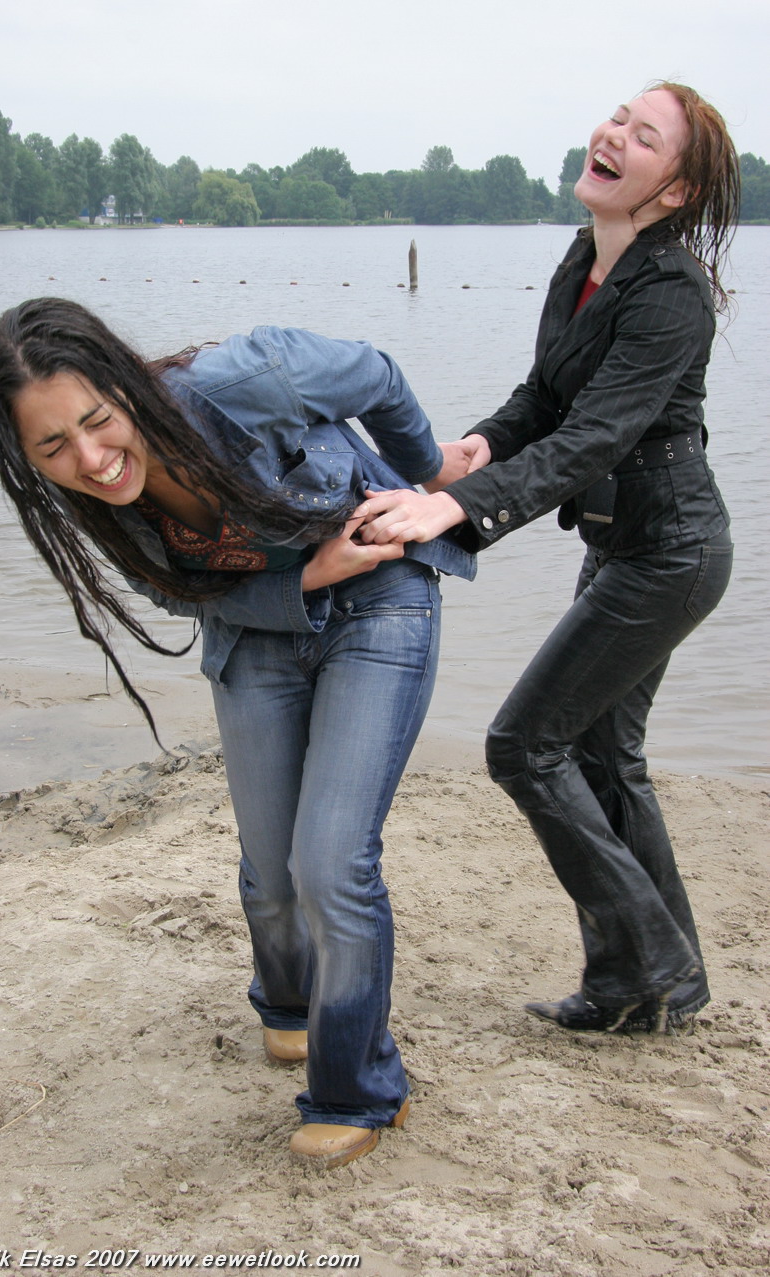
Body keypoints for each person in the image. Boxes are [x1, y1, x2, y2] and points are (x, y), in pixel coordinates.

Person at [0, 302, 477, 1167]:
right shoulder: (89, 500)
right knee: (269, 865)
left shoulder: (249, 378)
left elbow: (379, 374)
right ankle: (288, 1005)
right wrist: (304, 576)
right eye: (52, 448)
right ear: (25, 458)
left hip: (381, 596)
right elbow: (177, 590)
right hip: (258, 628)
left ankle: (357, 1088)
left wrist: (429, 474)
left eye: (97, 421)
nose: (90, 460)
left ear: (126, 387)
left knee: (330, 861)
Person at [354, 82, 739, 1035]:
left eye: (641, 136)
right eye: (616, 117)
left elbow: (596, 437)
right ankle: (655, 985)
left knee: (522, 745)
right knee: (606, 757)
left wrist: (452, 510)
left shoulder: (674, 296)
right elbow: (544, 398)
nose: (611, 134)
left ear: (674, 190)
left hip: (672, 550)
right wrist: (470, 450)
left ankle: (649, 956)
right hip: (620, 544)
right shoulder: (583, 261)